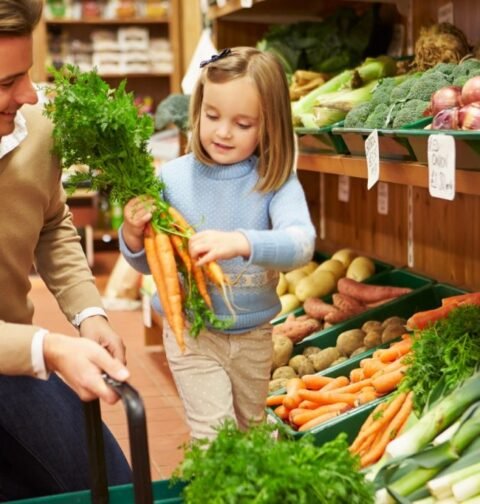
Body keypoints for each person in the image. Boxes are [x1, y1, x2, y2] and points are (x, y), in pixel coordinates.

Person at [120, 46, 316, 440]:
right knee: (215, 438)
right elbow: (149, 264)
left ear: (269, 126)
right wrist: (132, 234)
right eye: (212, 116)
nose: (223, 131)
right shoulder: (171, 179)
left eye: (243, 124)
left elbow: (301, 244)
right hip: (192, 334)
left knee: (251, 435)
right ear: (198, 110)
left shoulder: (274, 182)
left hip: (256, 337)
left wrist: (241, 242)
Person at [0, 0, 132, 499]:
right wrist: (50, 348)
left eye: (27, 73)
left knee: (110, 482)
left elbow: (52, 221)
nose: (30, 93)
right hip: (26, 352)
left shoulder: (36, 126)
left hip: (13, 359)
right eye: (6, 83)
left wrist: (89, 313)